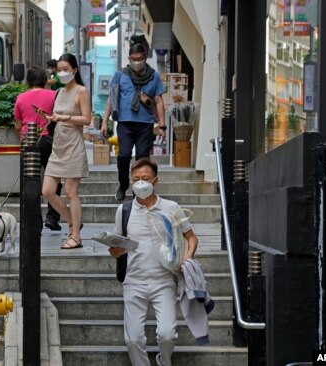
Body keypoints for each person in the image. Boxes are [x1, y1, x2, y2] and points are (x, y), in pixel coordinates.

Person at [108, 158, 198, 366]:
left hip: (164, 281)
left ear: (155, 181)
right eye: (136, 179)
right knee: (133, 339)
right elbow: (117, 248)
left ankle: (164, 361)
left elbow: (191, 237)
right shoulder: (124, 210)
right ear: (130, 182)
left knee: (167, 335)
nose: (141, 183)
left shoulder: (171, 207)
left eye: (145, 178)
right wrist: (115, 251)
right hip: (134, 281)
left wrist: (187, 258)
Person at [100, 43, 167, 202]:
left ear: (145, 58)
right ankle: (123, 185)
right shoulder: (120, 75)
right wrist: (104, 122)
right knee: (123, 155)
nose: (136, 62)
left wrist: (162, 125)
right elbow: (111, 99)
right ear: (129, 58)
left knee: (143, 157)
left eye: (140, 59)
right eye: (133, 59)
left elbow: (158, 101)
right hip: (125, 122)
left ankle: (140, 190)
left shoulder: (154, 76)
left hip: (145, 124)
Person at [40, 53, 91, 249]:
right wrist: (49, 117)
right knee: (47, 191)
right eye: (59, 69)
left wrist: (63, 117)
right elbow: (57, 117)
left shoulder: (81, 91)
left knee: (71, 192)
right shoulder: (58, 92)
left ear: (75, 70)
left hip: (73, 145)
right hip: (58, 145)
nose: (61, 73)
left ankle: (76, 236)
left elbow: (86, 119)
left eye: (65, 69)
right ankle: (72, 223)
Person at [13, 66, 62, 230]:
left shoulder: (21, 98)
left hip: (28, 142)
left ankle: (34, 221)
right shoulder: (53, 95)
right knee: (54, 177)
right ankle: (52, 217)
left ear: (28, 81)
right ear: (44, 80)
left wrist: (21, 139)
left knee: (30, 181)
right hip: (48, 139)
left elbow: (18, 125)